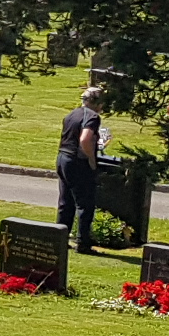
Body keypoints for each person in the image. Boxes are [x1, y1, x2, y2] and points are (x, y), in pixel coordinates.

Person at [56, 85, 105, 253]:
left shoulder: (71, 114)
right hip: (77, 161)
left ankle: (60, 239)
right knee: (85, 204)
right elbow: (85, 139)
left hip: (62, 157)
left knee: (65, 202)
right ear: (96, 103)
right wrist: (91, 159)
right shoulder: (92, 117)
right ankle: (83, 243)